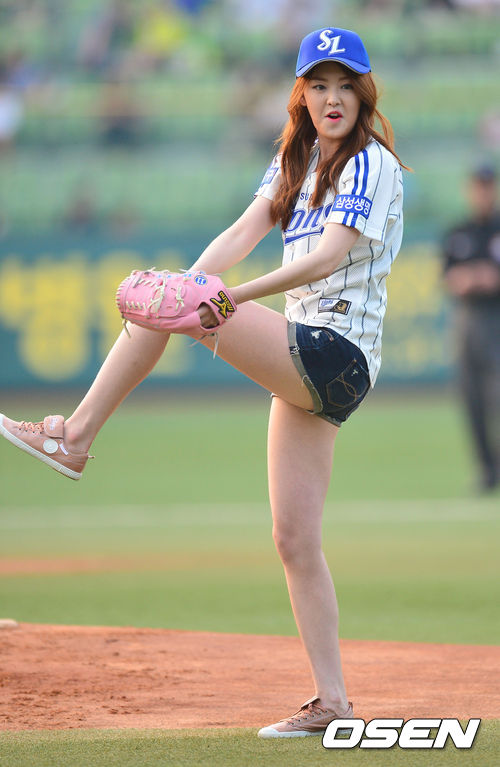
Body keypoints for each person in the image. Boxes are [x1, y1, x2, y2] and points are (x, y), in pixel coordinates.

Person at [0, 27, 406, 737]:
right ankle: (333, 701)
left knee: (174, 302)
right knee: (293, 539)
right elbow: (242, 231)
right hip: (307, 356)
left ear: (364, 94)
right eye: (319, 84)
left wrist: (222, 298)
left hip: (335, 353)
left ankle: (76, 436)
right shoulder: (297, 158)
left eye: (346, 84)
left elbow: (325, 259)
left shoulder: (372, 162)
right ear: (301, 95)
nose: (332, 97)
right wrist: (193, 284)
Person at [442, 164, 500, 493]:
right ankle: (486, 471)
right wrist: (476, 277)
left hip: (496, 318)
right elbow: (448, 276)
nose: (482, 192)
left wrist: (480, 278)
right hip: (467, 320)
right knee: (472, 399)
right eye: (478, 186)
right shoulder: (458, 232)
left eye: (487, 186)